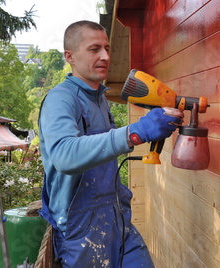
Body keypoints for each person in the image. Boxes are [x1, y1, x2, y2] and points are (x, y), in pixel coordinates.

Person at [38, 20, 184, 267]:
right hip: (80, 233)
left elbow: (106, 146)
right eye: (94, 49)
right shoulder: (60, 99)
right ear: (69, 56)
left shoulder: (100, 100)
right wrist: (134, 133)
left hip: (118, 220)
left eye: (107, 48)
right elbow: (63, 155)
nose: (105, 56)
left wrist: (153, 130)